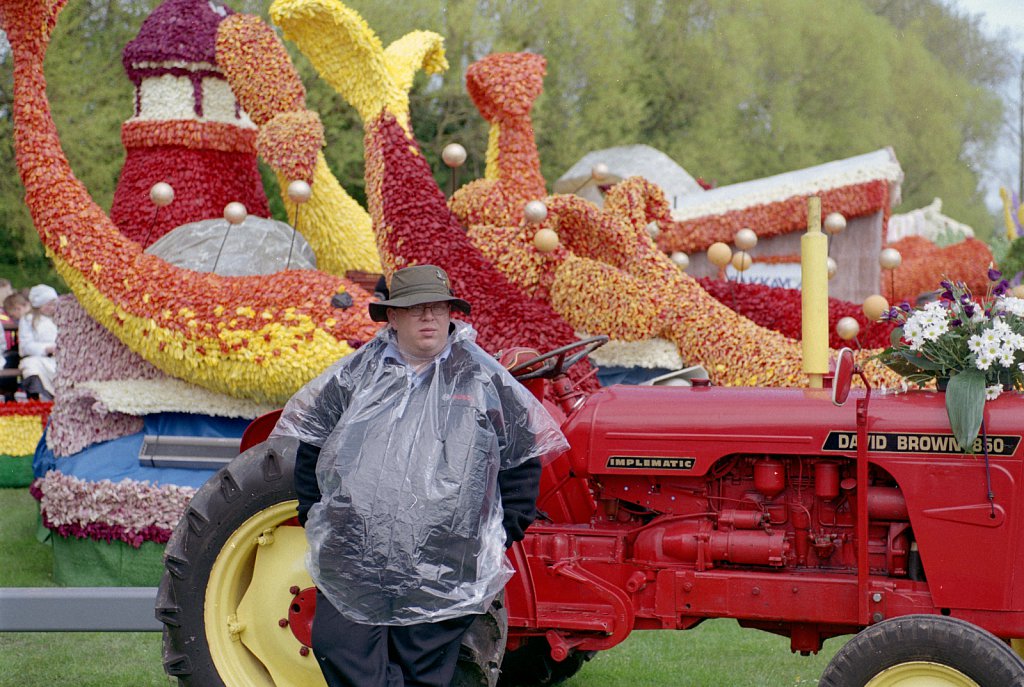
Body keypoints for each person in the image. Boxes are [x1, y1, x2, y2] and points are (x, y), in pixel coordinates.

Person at [271, 264, 568, 687]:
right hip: (358, 550)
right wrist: (315, 513)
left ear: (451, 313)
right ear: (392, 317)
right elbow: (314, 447)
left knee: (424, 672)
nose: (428, 318)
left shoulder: (482, 378)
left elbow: (521, 458)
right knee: (340, 647)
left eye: (437, 308)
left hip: (446, 557)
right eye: (415, 309)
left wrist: (503, 530)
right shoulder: (356, 375)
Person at [18, 284, 59, 400]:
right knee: (32, 367)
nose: (52, 308)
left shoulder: (59, 319)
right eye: (48, 304)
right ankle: (37, 400)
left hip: (57, 358)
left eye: (53, 304)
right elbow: (26, 345)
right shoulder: (28, 319)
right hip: (37, 357)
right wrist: (46, 349)